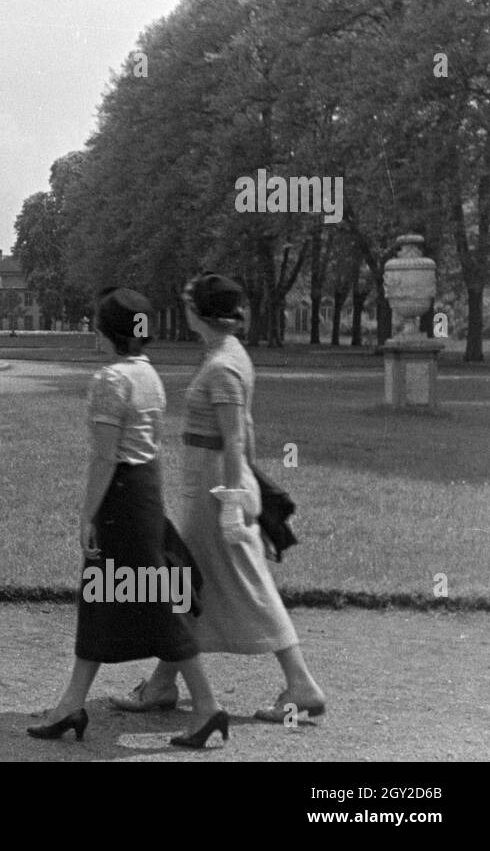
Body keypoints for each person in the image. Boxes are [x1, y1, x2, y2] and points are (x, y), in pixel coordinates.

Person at [111, 274, 326, 724]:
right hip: (214, 481)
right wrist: (246, 484)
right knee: (194, 584)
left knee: (219, 583)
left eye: (188, 300)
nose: (183, 304)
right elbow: (245, 432)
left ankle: (301, 683)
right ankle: (164, 683)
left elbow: (232, 438)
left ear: (199, 312)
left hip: (214, 486)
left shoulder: (223, 365)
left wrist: (232, 499)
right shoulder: (225, 355)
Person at [27, 287, 227, 748]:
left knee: (156, 602)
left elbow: (104, 457)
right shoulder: (149, 375)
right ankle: (70, 705)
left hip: (121, 498)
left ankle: (208, 707)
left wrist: (87, 514)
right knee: (104, 598)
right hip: (147, 492)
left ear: (106, 331)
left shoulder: (110, 380)